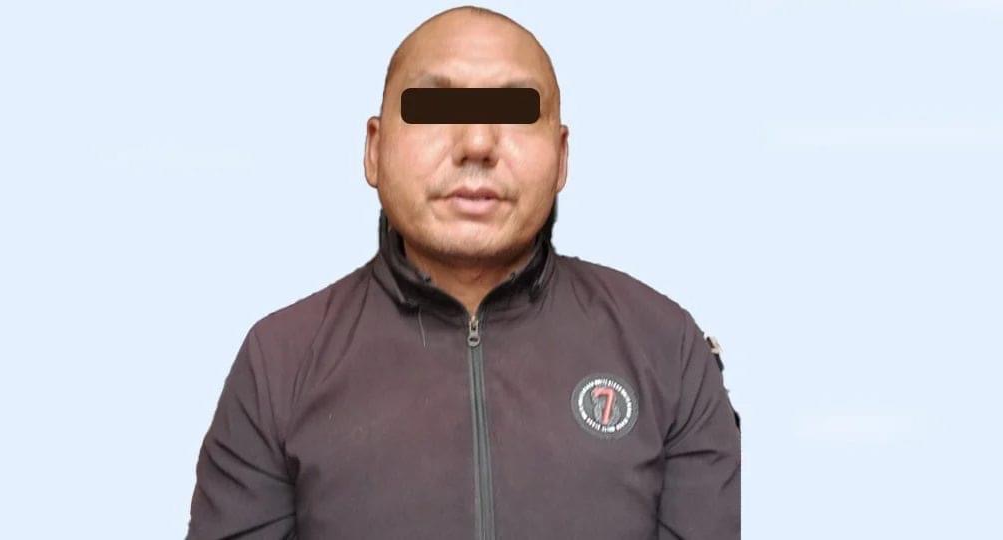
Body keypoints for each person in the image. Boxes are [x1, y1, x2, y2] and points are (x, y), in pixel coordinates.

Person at [186, 5, 740, 539]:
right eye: (433, 106)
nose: (477, 143)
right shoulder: (279, 361)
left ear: (561, 157)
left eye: (517, 110)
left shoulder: (667, 348)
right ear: (374, 150)